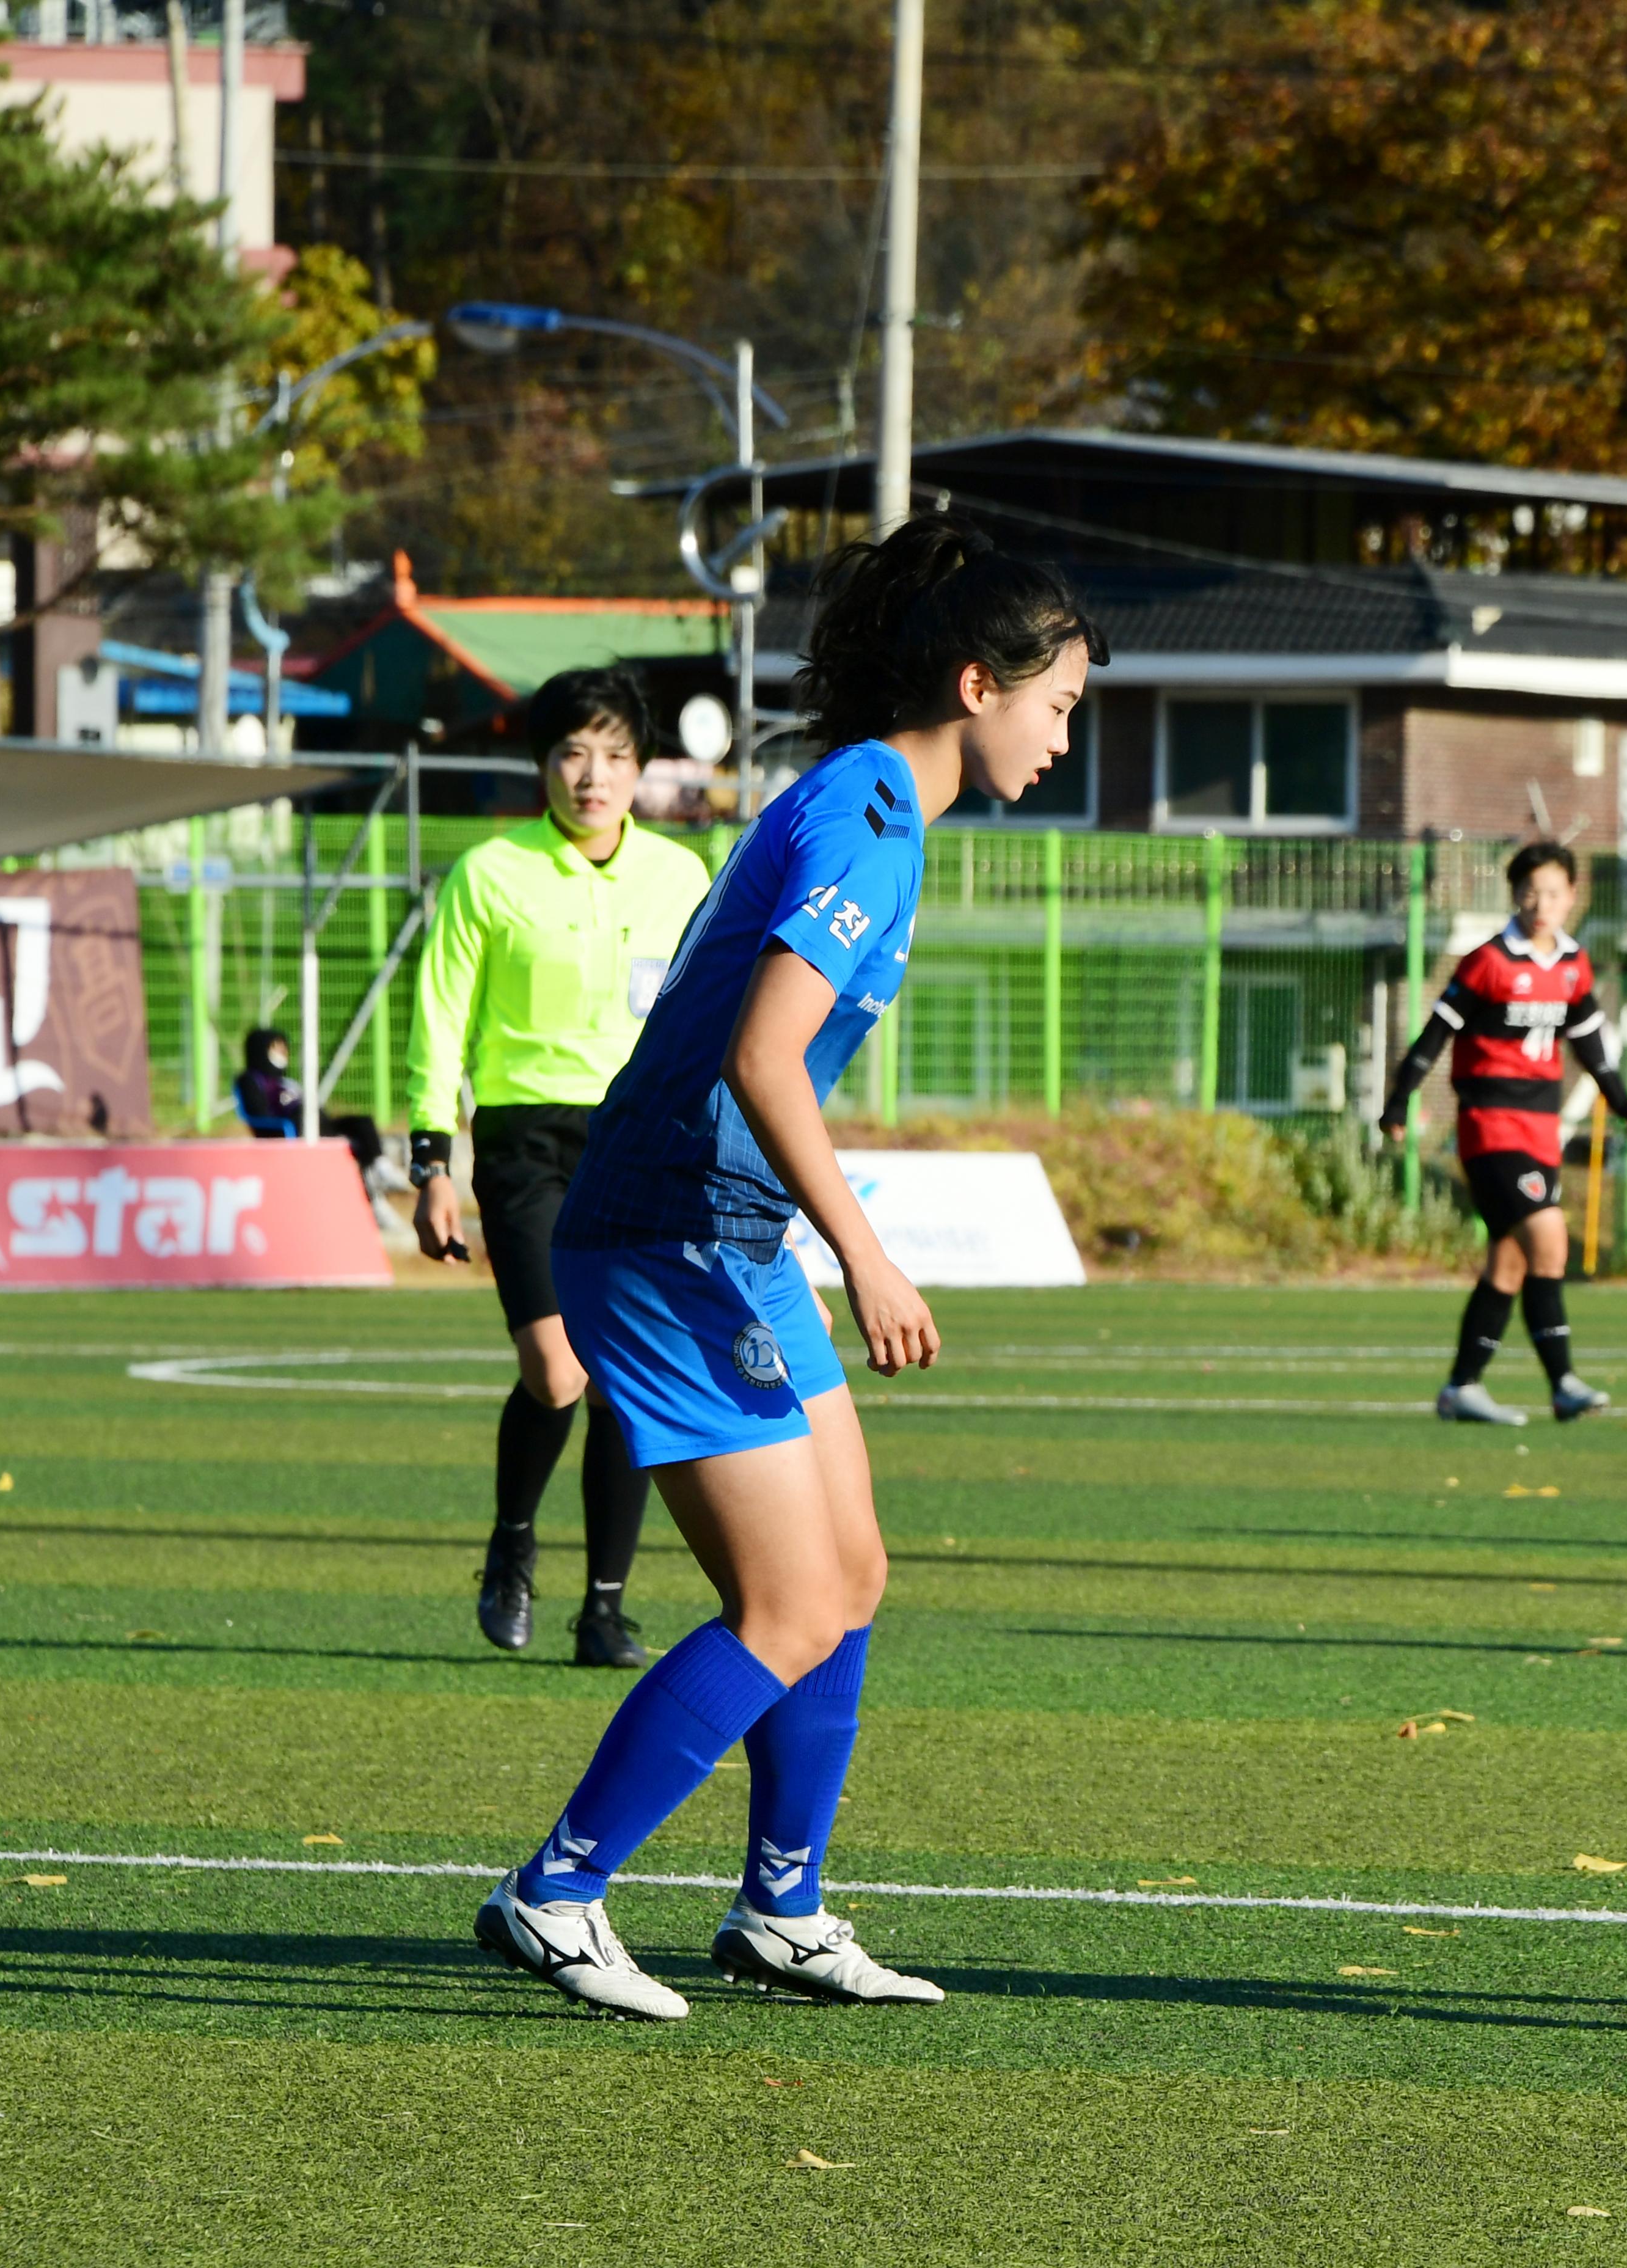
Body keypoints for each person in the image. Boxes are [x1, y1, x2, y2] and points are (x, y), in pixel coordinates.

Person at [473, 517, 1102, 2017]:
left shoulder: (876, 806)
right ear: (976, 683)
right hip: (671, 1233)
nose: (1066, 738)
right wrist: (870, 1256)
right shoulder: (868, 818)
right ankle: (553, 1892)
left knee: (853, 1576)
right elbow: (763, 1056)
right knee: (787, 1604)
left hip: (726, 1235)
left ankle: (782, 1911)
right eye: (1059, 704)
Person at [408, 665, 714, 1668]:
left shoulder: (682, 876)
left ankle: (605, 1608)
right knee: (555, 1368)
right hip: (523, 1143)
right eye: (573, 753)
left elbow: (712, 1020)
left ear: (640, 768)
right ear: (542, 763)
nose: (593, 775)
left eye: (615, 755)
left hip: (640, 1145)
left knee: (625, 1386)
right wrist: (430, 1160)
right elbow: (439, 1017)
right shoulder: (488, 872)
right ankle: (512, 1544)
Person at [1378, 840, 1627, 1425]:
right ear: (1514, 895)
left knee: (1510, 1263)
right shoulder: (1490, 962)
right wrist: (1399, 1100)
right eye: (1529, 892)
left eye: (1552, 892)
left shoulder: (1574, 965)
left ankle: (1462, 1388)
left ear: (1572, 897)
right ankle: (1563, 1384)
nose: (1540, 903)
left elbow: (1592, 1049)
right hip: (1490, 1127)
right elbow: (1434, 1035)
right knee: (1549, 1240)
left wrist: (1624, 1104)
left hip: (1541, 1129)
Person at [232, 1026, 383, 1175]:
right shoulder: (251, 1081)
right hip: (289, 1129)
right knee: (303, 1114)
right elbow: (259, 1114)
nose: (282, 1053)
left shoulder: (286, 1082)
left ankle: (378, 1167)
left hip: (317, 1125)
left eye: (284, 1048)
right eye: (276, 1048)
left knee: (362, 1124)